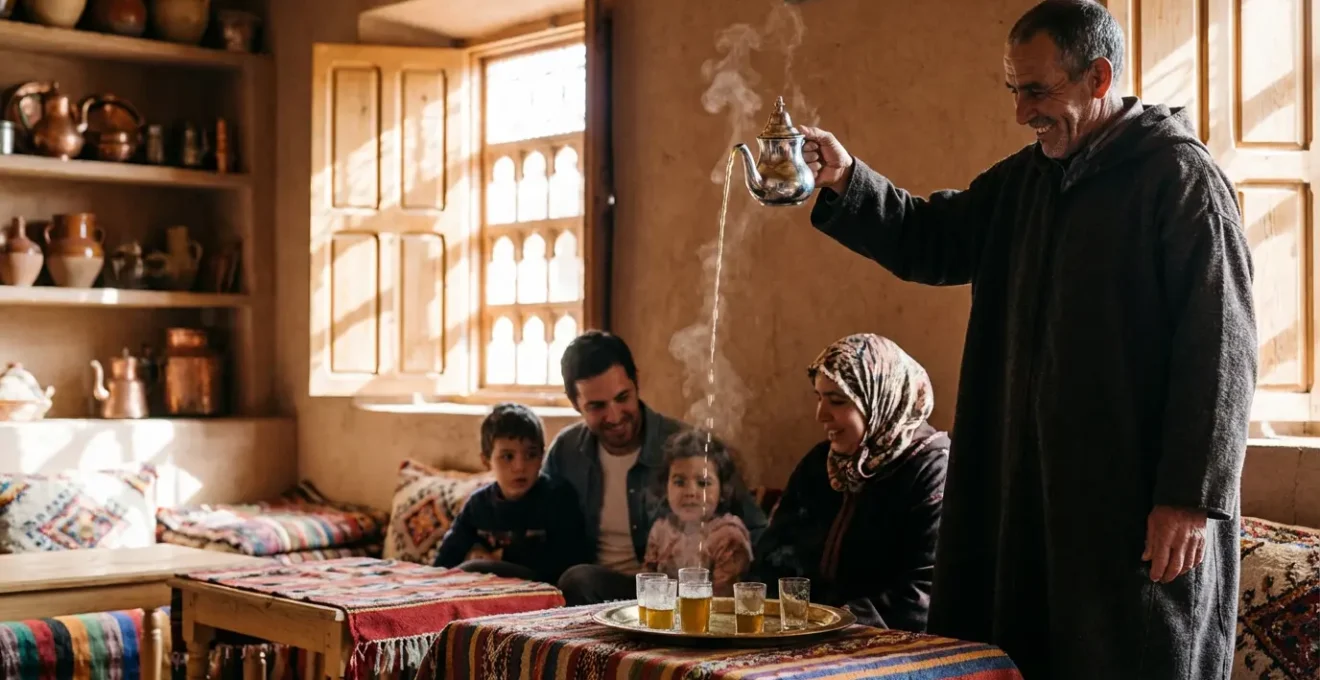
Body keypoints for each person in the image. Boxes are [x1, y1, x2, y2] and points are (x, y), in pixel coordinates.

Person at [797, 1, 1257, 678]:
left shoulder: (1179, 181)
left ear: (1098, 78)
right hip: (1029, 505)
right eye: (1015, 90)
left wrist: (1187, 499)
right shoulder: (1024, 182)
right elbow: (933, 238)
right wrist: (846, 179)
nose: (1021, 113)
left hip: (1131, 513)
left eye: (1038, 91)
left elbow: (1222, 350)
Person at [541, 330, 769, 605]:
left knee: (578, 579)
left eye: (622, 397)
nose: (614, 416)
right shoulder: (566, 451)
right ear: (575, 404)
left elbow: (758, 531)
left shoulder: (687, 448)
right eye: (597, 406)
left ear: (636, 383)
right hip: (591, 588)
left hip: (667, 593)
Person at [750, 333, 948, 632]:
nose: (821, 415)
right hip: (806, 634)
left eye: (837, 401)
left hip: (888, 648)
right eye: (819, 398)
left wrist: (833, 623)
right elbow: (772, 555)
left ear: (881, 399)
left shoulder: (931, 471)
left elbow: (925, 592)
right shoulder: (821, 464)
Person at [434, 402, 590, 585]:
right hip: (484, 594)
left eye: (531, 455)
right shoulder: (478, 505)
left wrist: (501, 557)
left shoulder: (558, 498)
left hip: (541, 591)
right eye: (507, 456)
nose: (520, 467)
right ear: (486, 461)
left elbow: (569, 562)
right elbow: (444, 563)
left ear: (542, 457)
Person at [641, 428, 754, 597]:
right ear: (666, 487)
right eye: (679, 482)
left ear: (723, 490)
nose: (691, 492)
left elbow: (724, 603)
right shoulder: (661, 530)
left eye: (703, 483)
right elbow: (647, 590)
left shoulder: (727, 536)